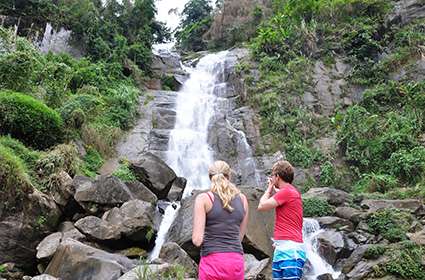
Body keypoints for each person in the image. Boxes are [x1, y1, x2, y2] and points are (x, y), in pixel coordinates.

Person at [192, 160, 249, 280]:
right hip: (236, 263)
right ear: (229, 176)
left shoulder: (203, 199)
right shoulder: (243, 199)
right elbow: (240, 237)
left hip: (213, 263)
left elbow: (197, 240)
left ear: (210, 177)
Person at [257, 160, 306, 280]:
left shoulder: (287, 192)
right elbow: (279, 194)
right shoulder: (291, 192)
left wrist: (268, 188)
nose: (271, 178)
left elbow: (261, 206)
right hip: (283, 249)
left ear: (277, 176)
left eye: (272, 176)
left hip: (290, 251)